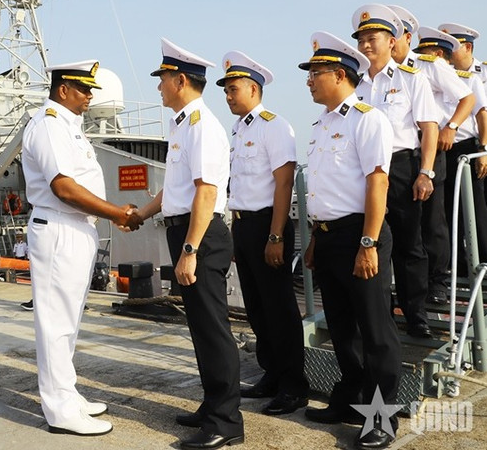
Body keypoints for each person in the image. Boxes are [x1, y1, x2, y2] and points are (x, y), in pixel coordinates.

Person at [21, 59, 142, 437]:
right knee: (55, 323)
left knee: (69, 322)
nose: (90, 95)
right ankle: (59, 410)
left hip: (75, 228)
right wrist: (116, 213)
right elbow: (64, 188)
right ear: (62, 90)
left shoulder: (69, 126)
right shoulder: (50, 125)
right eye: (83, 88)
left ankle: (67, 394)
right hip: (59, 228)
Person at [134, 39, 243, 449]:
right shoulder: (181, 124)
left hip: (202, 236)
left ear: (180, 80)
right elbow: (175, 189)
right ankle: (212, 404)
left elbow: (206, 193)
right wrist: (142, 214)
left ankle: (226, 423)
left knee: (214, 329)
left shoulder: (203, 127)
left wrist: (191, 250)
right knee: (200, 327)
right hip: (185, 231)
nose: (158, 87)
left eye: (162, 79)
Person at [299, 32, 401, 450]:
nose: (308, 81)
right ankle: (350, 398)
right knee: (342, 328)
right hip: (327, 238)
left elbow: (378, 182)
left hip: (361, 235)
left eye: (315, 74)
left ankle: (380, 418)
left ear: (339, 74)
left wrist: (368, 242)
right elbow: (324, 190)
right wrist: (313, 241)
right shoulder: (322, 125)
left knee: (376, 331)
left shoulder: (368, 118)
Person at [218, 51, 308, 415]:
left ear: (253, 89)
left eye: (232, 89)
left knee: (280, 308)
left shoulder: (275, 126)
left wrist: (275, 236)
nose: (227, 96)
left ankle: (293, 385)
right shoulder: (240, 129)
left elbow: (283, 182)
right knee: (256, 307)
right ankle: (272, 374)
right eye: (225, 90)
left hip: (268, 223)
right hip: (243, 224)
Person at [351, 4, 439, 339]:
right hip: (364, 172)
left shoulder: (411, 79)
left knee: (409, 243)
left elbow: (429, 128)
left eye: (372, 38)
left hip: (401, 166)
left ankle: (415, 313)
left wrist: (426, 173)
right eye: (362, 40)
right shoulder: (355, 85)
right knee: (370, 239)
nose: (366, 46)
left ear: (391, 41)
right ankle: (379, 312)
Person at [388, 6, 475, 306]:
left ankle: (437, 281)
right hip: (399, 157)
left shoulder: (429, 65)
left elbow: (468, 97)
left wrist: (451, 126)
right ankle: (410, 286)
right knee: (405, 226)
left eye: (393, 37)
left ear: (407, 38)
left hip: (430, 150)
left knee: (432, 221)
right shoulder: (381, 76)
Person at [415, 26, 487, 274]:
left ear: (439, 55)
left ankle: (486, 261)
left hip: (465, 148)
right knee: (444, 212)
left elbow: (481, 115)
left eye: (427, 54)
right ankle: (455, 268)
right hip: (436, 148)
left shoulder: (470, 79)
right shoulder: (422, 80)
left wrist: (484, 148)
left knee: (476, 210)